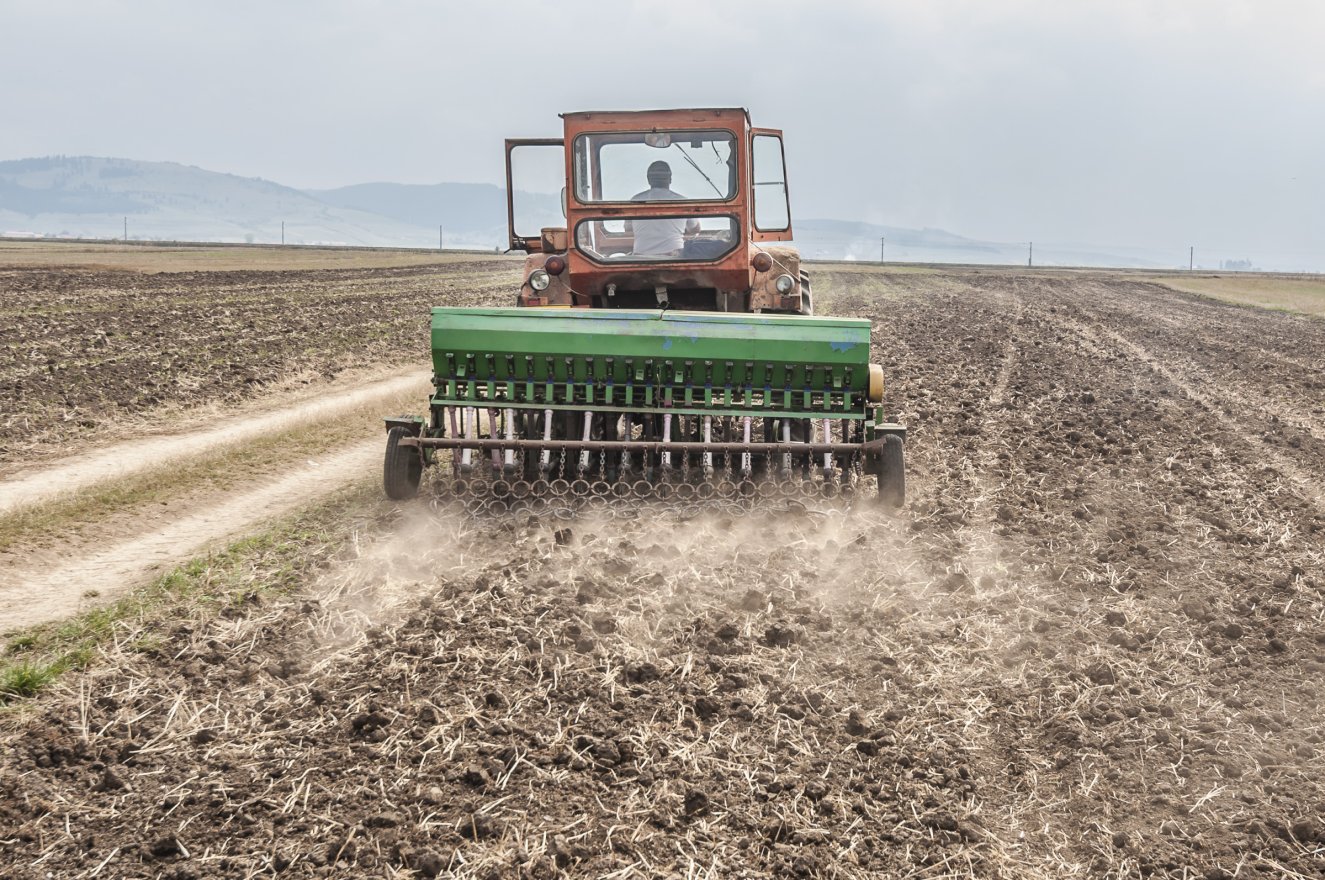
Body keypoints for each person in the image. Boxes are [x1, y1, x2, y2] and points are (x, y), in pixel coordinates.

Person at [626, 161, 699, 256]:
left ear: (648, 180)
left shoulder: (635, 200)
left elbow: (627, 229)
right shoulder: (682, 200)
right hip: (674, 255)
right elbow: (695, 229)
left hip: (641, 255)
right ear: (670, 179)